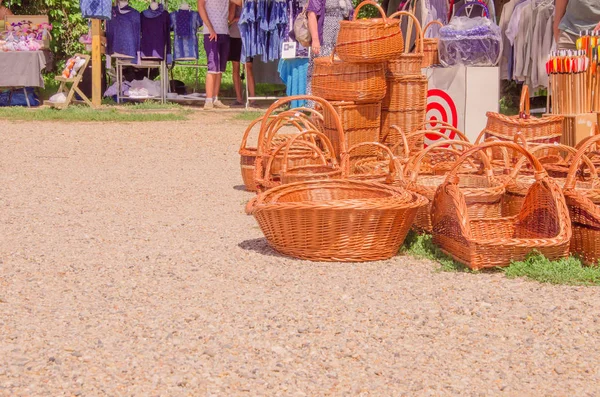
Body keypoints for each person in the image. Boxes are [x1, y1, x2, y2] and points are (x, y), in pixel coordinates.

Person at [198, 0, 241, 110]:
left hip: (224, 32)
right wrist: (210, 28)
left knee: (220, 69)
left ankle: (215, 98)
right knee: (212, 66)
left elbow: (240, 2)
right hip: (211, 32)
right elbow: (200, 7)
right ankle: (208, 100)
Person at [306, 0, 353, 98]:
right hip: (324, 40)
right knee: (322, 73)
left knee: (339, 74)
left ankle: (335, 106)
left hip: (340, 41)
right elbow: (311, 14)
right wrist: (315, 39)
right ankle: (317, 107)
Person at [228, 3, 255, 107]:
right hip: (234, 35)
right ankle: (239, 98)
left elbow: (253, 16)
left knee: (248, 66)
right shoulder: (233, 2)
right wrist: (233, 5)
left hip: (248, 36)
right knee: (235, 67)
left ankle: (252, 98)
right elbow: (230, 19)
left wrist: (239, 17)